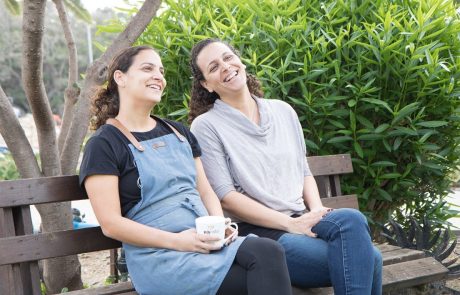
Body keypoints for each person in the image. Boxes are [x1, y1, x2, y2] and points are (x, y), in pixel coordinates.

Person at [79, 45, 292, 295]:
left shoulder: (178, 132)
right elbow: (111, 224)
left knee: (267, 251)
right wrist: (178, 241)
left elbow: (205, 192)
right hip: (160, 257)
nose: (158, 76)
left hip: (203, 244)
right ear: (120, 77)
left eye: (161, 70)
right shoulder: (104, 144)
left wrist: (219, 224)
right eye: (147, 68)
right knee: (263, 271)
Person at [189, 38, 383, 295]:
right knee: (372, 260)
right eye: (213, 67)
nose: (225, 67)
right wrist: (291, 224)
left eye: (227, 57)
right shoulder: (206, 126)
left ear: (241, 61)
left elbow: (303, 171)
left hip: (301, 218)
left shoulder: (284, 111)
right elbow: (226, 198)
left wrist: (316, 211)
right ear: (206, 84)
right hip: (260, 234)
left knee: (351, 219)